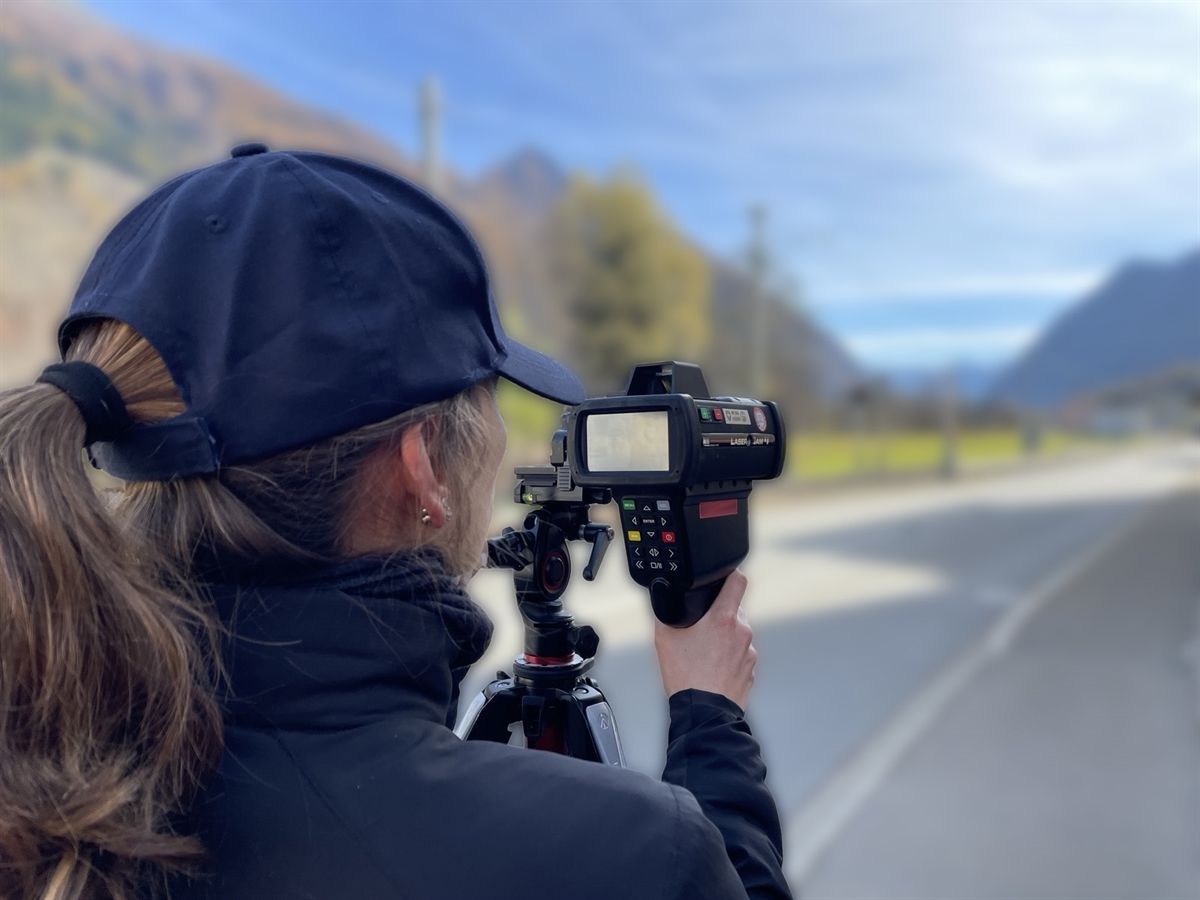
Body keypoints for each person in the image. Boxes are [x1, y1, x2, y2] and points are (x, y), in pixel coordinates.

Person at [0, 144, 791, 900]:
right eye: (488, 400)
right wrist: (709, 720)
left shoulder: (47, 773)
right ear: (423, 467)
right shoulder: (637, 857)